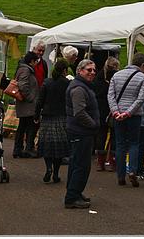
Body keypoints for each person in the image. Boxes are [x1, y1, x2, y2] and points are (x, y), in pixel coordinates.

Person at [107, 52, 144, 187]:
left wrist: (116, 112)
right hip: (134, 116)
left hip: (118, 115)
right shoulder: (143, 78)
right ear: (143, 65)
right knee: (134, 144)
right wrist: (128, 113)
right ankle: (132, 171)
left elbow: (110, 95)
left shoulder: (116, 75)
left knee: (120, 145)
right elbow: (141, 99)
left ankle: (120, 175)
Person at [64, 59, 100, 209]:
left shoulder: (83, 86)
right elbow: (79, 113)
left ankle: (75, 193)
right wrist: (93, 125)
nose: (92, 72)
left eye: (93, 70)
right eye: (88, 70)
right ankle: (72, 197)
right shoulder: (78, 88)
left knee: (77, 163)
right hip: (80, 131)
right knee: (81, 165)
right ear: (80, 71)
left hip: (80, 131)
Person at [35, 59, 70, 183]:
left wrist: (36, 115)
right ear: (65, 70)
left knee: (47, 145)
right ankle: (55, 173)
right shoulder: (67, 83)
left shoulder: (47, 82)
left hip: (47, 117)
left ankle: (48, 168)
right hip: (61, 117)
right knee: (59, 147)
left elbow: (40, 101)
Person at [94, 56, 120, 172]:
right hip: (114, 110)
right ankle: (112, 162)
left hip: (101, 110)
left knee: (101, 135)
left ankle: (100, 162)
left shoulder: (98, 77)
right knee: (114, 135)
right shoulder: (118, 77)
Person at [13, 51, 41, 158]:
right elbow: (23, 85)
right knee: (29, 126)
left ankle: (19, 149)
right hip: (27, 104)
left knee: (23, 126)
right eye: (36, 61)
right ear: (31, 61)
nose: (37, 63)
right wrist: (31, 98)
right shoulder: (26, 70)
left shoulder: (23, 69)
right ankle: (26, 148)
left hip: (25, 104)